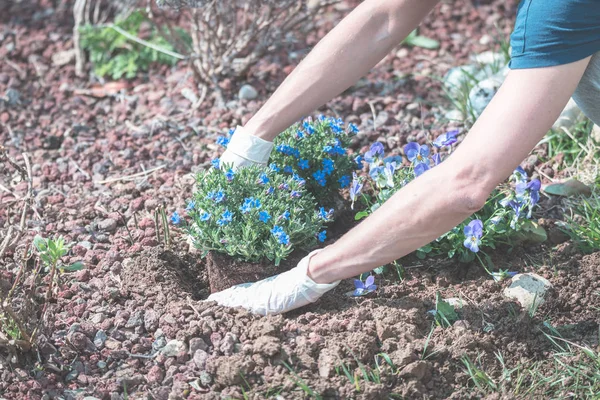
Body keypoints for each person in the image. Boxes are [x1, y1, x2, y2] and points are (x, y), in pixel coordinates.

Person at [207, 0, 600, 315]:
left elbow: (467, 183)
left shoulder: (556, 10)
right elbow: (385, 16)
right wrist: (254, 136)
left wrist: (310, 276)